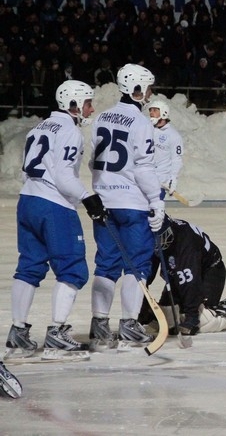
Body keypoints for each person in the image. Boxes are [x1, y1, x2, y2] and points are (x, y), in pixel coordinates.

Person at [6, 81, 109, 361]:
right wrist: (88, 198)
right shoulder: (70, 131)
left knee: (28, 267)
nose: (91, 108)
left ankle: (17, 332)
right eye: (87, 103)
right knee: (73, 269)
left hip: (27, 201)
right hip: (54, 206)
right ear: (72, 105)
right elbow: (64, 177)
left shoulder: (38, 128)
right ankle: (56, 334)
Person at [88, 63, 165, 350]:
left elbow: (93, 158)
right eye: (147, 87)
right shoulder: (141, 122)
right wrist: (156, 201)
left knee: (105, 264)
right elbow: (144, 168)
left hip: (104, 200)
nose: (150, 93)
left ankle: (99, 324)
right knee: (137, 265)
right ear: (136, 89)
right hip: (131, 203)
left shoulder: (102, 117)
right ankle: (129, 324)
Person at [142, 216, 226, 335]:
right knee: (168, 319)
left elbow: (191, 282)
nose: (156, 242)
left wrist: (192, 316)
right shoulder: (157, 237)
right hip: (179, 274)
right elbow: (145, 275)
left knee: (205, 320)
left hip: (208, 271)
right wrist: (142, 309)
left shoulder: (185, 241)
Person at [148, 100, 184, 200]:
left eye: (155, 110)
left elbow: (176, 159)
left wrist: (173, 178)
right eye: (150, 110)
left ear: (164, 112)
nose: (151, 113)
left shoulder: (173, 135)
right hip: (145, 179)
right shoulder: (147, 129)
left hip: (160, 182)